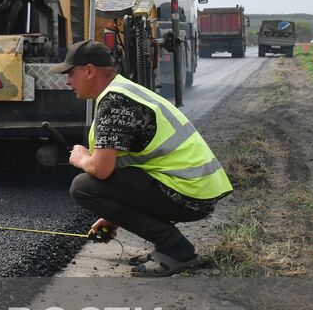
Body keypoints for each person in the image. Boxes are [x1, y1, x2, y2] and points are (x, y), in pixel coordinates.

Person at [55, 40, 232, 277]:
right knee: (91, 184)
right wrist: (112, 217)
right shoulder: (121, 92)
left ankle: (176, 249)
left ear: (89, 70)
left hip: (188, 193)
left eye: (70, 74)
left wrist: (80, 157)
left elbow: (101, 170)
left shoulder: (115, 102)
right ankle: (166, 246)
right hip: (192, 188)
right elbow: (128, 170)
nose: (67, 82)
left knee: (83, 187)